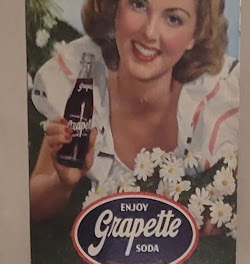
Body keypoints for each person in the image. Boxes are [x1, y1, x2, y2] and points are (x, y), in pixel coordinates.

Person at [29, 0, 239, 223]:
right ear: (115, 7)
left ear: (196, 35)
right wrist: (62, 183)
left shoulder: (218, 104)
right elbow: (31, 206)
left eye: (173, 19)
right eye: (138, 5)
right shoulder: (84, 82)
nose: (149, 32)